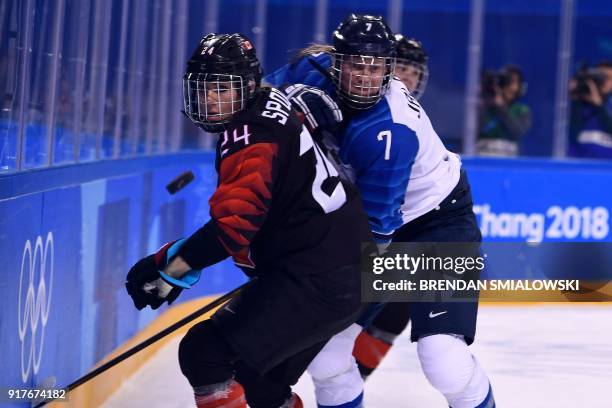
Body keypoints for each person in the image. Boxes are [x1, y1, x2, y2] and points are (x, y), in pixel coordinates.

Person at [125, 33, 371, 408]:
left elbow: (232, 227)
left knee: (204, 352)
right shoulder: (274, 100)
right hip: (340, 269)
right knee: (257, 384)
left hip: (318, 277)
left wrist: (169, 267)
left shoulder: (250, 136)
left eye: (223, 88)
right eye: (204, 88)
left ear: (249, 85)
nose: (210, 98)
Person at [265, 14, 495, 408]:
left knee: (443, 358)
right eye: (355, 64)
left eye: (376, 68)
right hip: (379, 221)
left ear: (388, 70)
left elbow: (375, 235)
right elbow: (259, 106)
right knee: (325, 353)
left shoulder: (389, 131)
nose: (364, 77)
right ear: (337, 62)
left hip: (436, 225)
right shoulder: (310, 70)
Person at [477, 64, 531, 157]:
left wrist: (501, 107)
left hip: (508, 161)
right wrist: (483, 104)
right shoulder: (483, 107)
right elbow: (472, 132)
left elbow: (517, 132)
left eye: (514, 82)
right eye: (507, 82)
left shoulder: (522, 110)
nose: (510, 87)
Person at [569, 61, 612, 159]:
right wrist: (575, 99)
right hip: (581, 161)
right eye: (601, 77)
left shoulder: (609, 105)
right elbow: (573, 136)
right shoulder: (580, 104)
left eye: (609, 78)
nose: (604, 81)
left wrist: (599, 106)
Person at [393, 34, 429, 100]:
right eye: (403, 69)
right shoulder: (369, 106)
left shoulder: (416, 110)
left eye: (415, 73)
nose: (409, 78)